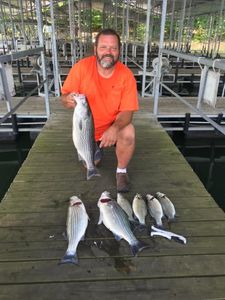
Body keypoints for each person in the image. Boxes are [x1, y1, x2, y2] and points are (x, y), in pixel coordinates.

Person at [61, 28, 138, 193]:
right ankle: (92, 155)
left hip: (112, 126)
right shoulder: (81, 68)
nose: (108, 52)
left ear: (119, 51)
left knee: (129, 132)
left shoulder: (126, 75)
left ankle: (121, 172)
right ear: (95, 49)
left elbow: (127, 113)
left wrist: (115, 128)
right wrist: (67, 99)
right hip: (87, 131)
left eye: (113, 48)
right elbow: (65, 98)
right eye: (103, 47)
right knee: (92, 162)